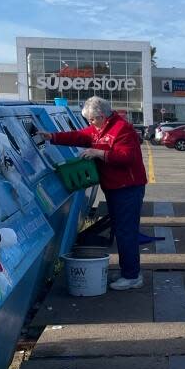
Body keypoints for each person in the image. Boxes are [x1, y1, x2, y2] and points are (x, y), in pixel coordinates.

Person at [41, 95, 149, 290]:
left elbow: (127, 157)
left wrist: (98, 153)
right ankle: (129, 270)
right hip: (114, 188)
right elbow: (80, 136)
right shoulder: (98, 129)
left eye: (91, 119)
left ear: (102, 116)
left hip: (128, 188)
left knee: (126, 232)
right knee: (121, 230)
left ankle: (132, 276)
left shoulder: (122, 129)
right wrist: (52, 137)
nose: (89, 123)